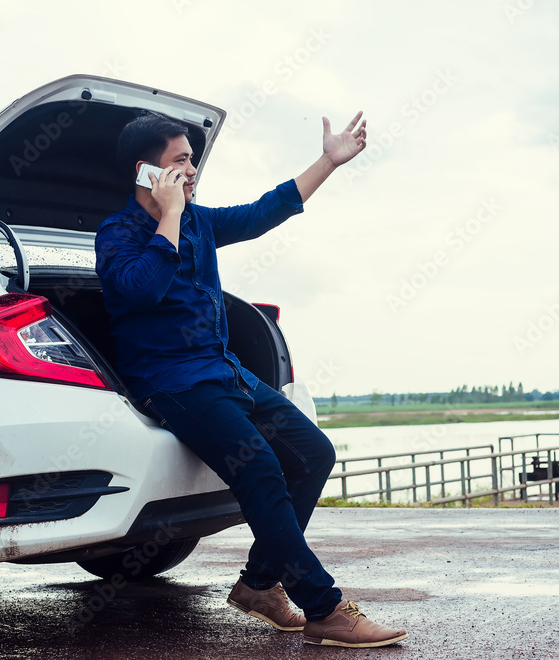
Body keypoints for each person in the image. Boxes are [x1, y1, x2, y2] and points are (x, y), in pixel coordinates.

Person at [95, 110, 408, 648]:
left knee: (313, 453)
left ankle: (259, 586)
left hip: (222, 370)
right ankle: (325, 607)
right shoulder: (116, 234)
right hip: (169, 380)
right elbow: (142, 289)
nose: (192, 170)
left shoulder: (200, 222)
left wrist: (328, 162)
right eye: (181, 161)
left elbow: (265, 211)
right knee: (260, 466)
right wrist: (168, 216)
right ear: (148, 172)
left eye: (192, 159)